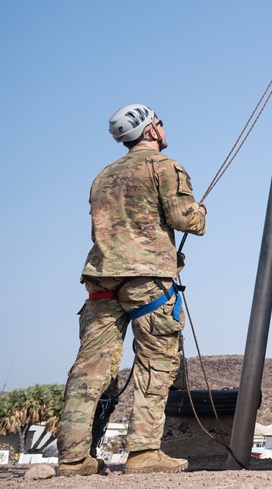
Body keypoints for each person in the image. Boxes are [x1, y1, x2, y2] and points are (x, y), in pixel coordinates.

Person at [57, 104, 207, 477]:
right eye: (160, 123)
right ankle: (143, 454)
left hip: (102, 280)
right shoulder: (164, 166)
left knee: (89, 369)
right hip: (148, 280)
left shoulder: (103, 176)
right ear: (152, 130)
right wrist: (199, 212)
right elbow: (185, 219)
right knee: (155, 364)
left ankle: (73, 458)